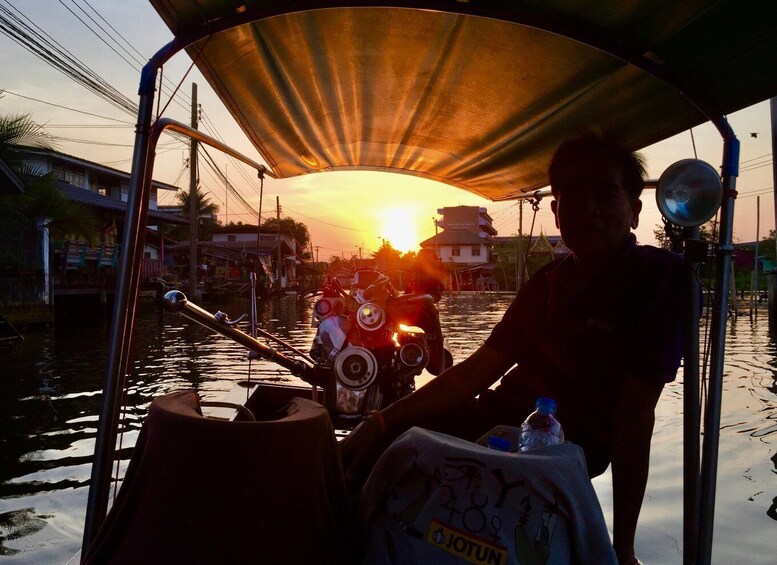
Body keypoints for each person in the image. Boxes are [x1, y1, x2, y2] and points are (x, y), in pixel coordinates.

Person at [340, 129, 686, 565]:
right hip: (493, 426)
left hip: (556, 457)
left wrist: (624, 547)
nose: (589, 209)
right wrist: (379, 421)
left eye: (606, 195)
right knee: (371, 454)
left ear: (634, 210)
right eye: (574, 197)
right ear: (556, 212)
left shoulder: (659, 279)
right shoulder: (548, 281)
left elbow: (634, 418)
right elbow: (475, 373)